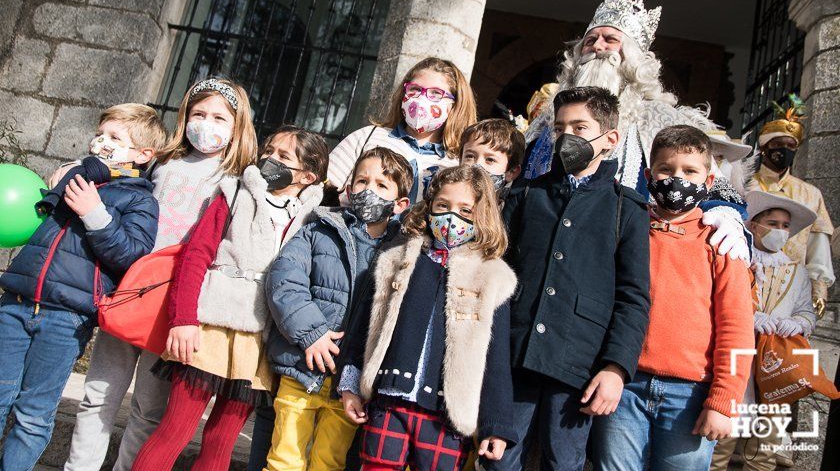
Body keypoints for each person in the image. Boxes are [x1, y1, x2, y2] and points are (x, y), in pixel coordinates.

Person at [64, 78, 258, 471]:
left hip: (177, 304)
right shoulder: (164, 163)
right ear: (185, 116)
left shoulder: (238, 180)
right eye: (199, 114)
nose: (206, 123)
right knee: (98, 394)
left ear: (238, 126)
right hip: (132, 289)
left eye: (219, 117)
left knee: (149, 407)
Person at [131, 126, 327, 470]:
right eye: (269, 151)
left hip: (260, 338)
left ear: (307, 176)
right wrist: (184, 320)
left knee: (222, 441)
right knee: (175, 429)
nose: (270, 159)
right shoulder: (234, 192)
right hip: (210, 326)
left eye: (283, 157)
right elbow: (195, 256)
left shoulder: (312, 218)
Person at [523, 0, 749, 260]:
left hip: (624, 257)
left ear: (631, 56)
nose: (598, 47)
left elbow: (707, 179)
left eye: (610, 39)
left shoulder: (661, 118)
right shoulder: (546, 121)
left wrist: (726, 214)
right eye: (590, 41)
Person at [492, 86, 651, 471]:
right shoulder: (528, 195)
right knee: (499, 459)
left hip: (578, 369)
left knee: (564, 462)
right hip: (516, 358)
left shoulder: (626, 210)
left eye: (581, 127)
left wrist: (615, 368)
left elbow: (634, 297)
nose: (568, 138)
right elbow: (498, 273)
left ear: (609, 139)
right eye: (560, 128)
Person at [0, 103, 166, 470]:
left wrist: (95, 213)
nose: (100, 142)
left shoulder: (139, 199)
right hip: (16, 301)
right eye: (100, 133)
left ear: (143, 155)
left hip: (67, 317)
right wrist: (58, 185)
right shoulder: (73, 177)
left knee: (33, 413)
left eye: (115, 138)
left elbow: (130, 255)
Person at [591, 125, 754, 471]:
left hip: (691, 395)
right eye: (667, 170)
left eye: (690, 171)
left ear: (708, 182)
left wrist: (724, 400)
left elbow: (737, 327)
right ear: (650, 176)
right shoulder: (629, 229)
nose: (677, 178)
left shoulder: (722, 243)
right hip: (626, 385)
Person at [338, 165, 517, 471]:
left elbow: (496, 360)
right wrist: (350, 384)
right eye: (442, 206)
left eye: (465, 210)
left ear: (482, 216)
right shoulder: (396, 260)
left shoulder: (492, 278)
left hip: (446, 413)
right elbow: (366, 326)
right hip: (388, 401)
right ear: (429, 206)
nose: (451, 217)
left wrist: (496, 424)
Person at [262, 147, 413, 471]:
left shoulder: (403, 254)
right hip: (302, 367)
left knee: (328, 462)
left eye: (382, 185)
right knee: (283, 459)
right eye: (362, 180)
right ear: (348, 189)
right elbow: (285, 280)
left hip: (351, 382)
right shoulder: (319, 230)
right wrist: (312, 333)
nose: (369, 189)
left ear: (401, 204)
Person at [710, 190, 817, 471]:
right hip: (737, 361)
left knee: (763, 448)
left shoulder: (798, 271)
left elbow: (807, 312)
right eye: (772, 223)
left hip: (775, 366)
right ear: (753, 225)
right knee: (721, 440)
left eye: (784, 225)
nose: (780, 230)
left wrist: (798, 323)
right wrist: (750, 317)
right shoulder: (738, 258)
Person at [328, 57, 478, 204]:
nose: (422, 98)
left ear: (455, 104)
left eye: (435, 93)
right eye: (415, 89)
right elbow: (323, 189)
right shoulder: (368, 136)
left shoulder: (456, 163)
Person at [748, 95, 835, 317]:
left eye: (790, 146)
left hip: (792, 288)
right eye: (777, 145)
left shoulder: (811, 194)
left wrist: (819, 291)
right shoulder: (745, 185)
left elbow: (818, 247)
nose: (784, 150)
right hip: (749, 278)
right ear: (765, 147)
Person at [459, 118, 525, 198]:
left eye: (490, 159)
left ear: (512, 172)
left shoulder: (510, 209)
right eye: (470, 156)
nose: (477, 164)